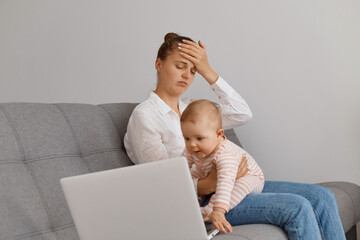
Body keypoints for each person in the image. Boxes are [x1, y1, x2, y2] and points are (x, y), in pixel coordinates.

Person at [124, 32, 346, 240]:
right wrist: (211, 182)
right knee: (297, 207)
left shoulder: (193, 109)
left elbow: (242, 113)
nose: (187, 75)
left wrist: (207, 70)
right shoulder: (145, 115)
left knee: (322, 197)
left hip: (233, 183)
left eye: (193, 71)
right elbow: (161, 182)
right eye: (180, 66)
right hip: (204, 201)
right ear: (159, 64)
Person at [181, 99, 265, 234]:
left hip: (249, 176)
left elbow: (225, 182)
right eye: (187, 138)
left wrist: (219, 210)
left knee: (239, 186)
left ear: (219, 134)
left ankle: (210, 210)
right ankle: (191, 205)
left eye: (199, 138)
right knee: (193, 174)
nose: (192, 144)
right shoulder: (192, 149)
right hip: (209, 172)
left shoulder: (225, 154)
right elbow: (181, 170)